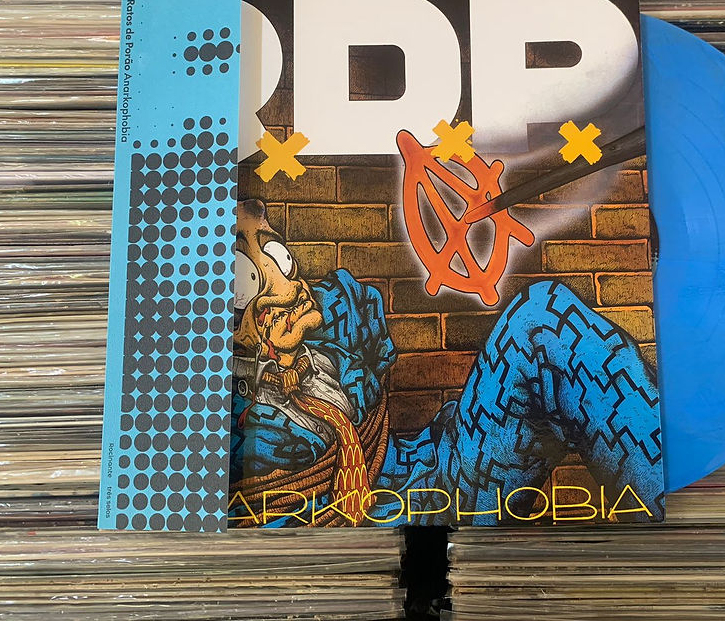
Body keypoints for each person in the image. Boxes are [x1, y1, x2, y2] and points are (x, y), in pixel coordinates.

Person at [230, 198, 663, 526]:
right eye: (247, 278)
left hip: (435, 480)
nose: (289, 285)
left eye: (279, 256)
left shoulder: (334, 327)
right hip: (375, 538)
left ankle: (669, 522)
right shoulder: (216, 417)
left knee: (540, 323)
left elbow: (350, 306)